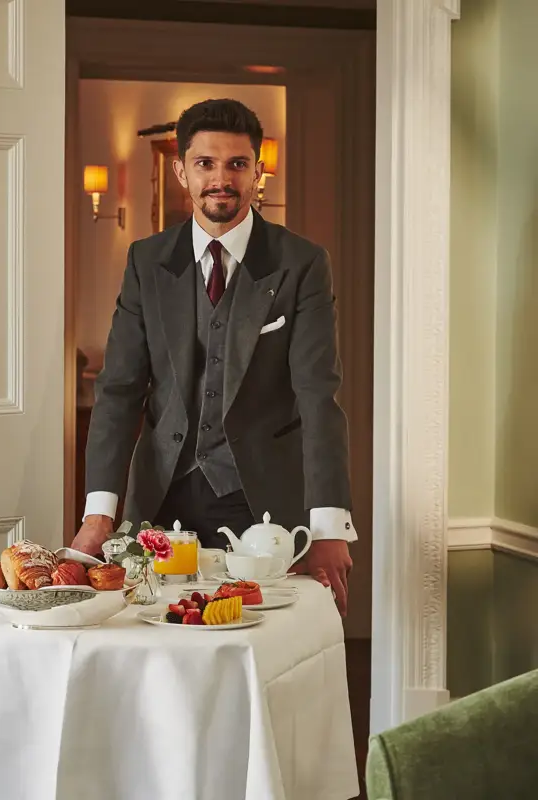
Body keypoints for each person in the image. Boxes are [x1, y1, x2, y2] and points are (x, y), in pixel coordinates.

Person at [71, 99, 356, 616]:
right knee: (152, 642)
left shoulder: (301, 263)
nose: (221, 178)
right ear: (181, 170)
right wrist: (99, 512)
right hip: (161, 496)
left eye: (237, 164)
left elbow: (318, 395)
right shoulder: (146, 260)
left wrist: (328, 526)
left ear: (258, 172)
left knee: (259, 644)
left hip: (264, 505)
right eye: (205, 163)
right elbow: (118, 391)